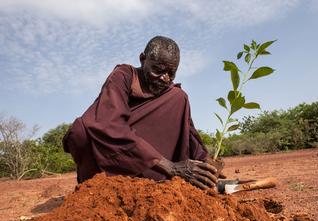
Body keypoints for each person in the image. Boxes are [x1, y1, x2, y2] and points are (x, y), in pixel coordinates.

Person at [63, 36, 224, 189]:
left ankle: (151, 181)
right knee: (81, 130)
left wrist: (206, 164)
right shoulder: (123, 76)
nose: (165, 78)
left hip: (147, 166)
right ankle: (93, 185)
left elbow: (188, 132)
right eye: (158, 70)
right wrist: (171, 167)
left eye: (171, 73)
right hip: (110, 157)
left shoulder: (172, 95)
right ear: (142, 59)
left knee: (179, 97)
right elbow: (109, 124)